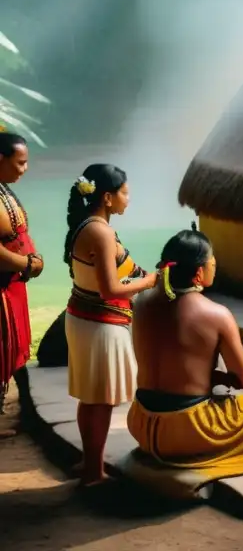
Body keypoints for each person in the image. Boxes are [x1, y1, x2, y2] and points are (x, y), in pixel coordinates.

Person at [127, 228, 243, 483]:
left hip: (140, 422)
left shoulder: (141, 301)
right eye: (212, 261)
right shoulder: (217, 314)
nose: (215, 265)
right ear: (199, 273)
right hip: (187, 431)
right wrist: (215, 377)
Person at [64, 164, 157, 487]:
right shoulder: (100, 232)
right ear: (107, 197)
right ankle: (94, 473)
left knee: (90, 397)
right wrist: (149, 282)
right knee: (100, 400)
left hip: (83, 318)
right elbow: (111, 289)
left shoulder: (87, 224)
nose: (128, 199)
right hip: (99, 323)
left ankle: (87, 462)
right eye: (125, 192)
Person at [0, 133, 43, 421]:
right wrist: (25, 263)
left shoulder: (3, 189)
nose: (24, 169)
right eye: (20, 163)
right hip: (3, 287)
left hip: (12, 285)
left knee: (8, 352)